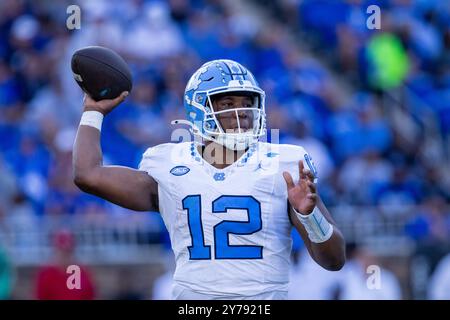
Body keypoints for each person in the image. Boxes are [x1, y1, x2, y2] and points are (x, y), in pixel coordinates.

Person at [73, 59, 346, 299]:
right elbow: (88, 175)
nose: (241, 112)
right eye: (227, 103)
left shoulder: (283, 164)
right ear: (197, 110)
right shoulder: (169, 164)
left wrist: (310, 217)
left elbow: (334, 260)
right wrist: (93, 112)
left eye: (247, 103)